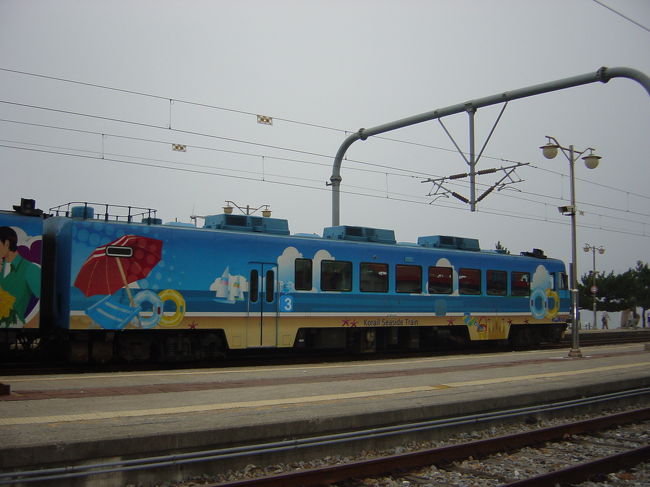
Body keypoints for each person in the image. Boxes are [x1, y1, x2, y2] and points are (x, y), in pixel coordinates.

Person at [0, 226, 41, 327]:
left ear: (7, 243)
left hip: (13, 324)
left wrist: (29, 325)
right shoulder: (1, 266)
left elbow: (44, 301)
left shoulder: (30, 268)